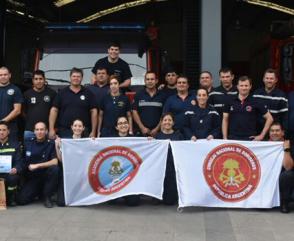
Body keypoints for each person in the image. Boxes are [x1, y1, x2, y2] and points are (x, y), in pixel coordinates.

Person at [17, 122, 59, 208]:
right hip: (33, 178)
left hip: (46, 176)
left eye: (42, 129)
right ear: (34, 131)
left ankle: (47, 197)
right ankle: (39, 192)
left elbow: (55, 161)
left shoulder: (50, 144)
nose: (39, 132)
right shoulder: (28, 143)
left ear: (46, 131)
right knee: (21, 200)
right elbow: (23, 160)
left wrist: (38, 165)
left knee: (55, 169)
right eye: (37, 130)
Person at [49, 67, 97, 138]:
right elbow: (54, 110)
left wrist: (93, 131)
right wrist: (51, 129)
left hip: (83, 131)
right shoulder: (62, 93)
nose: (76, 78)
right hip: (65, 131)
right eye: (74, 76)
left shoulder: (88, 93)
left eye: (78, 76)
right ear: (70, 77)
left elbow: (94, 111)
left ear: (82, 78)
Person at [222, 76, 273, 141]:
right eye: (241, 85)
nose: (244, 88)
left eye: (246, 85)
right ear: (237, 86)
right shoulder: (229, 100)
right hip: (233, 138)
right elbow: (225, 119)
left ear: (250, 86)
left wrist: (261, 136)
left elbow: (270, 118)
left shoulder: (256, 101)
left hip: (250, 139)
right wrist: (225, 138)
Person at [109, 116, 140, 206]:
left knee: (133, 202)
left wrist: (149, 141)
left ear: (128, 125)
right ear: (116, 127)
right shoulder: (109, 140)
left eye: (125, 123)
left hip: (130, 176)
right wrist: (93, 141)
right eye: (120, 123)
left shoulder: (135, 139)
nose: (123, 125)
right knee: (111, 202)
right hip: (115, 175)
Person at [55, 119, 85, 206]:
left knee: (82, 201)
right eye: (75, 126)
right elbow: (61, 160)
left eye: (80, 126)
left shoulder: (87, 142)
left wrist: (94, 142)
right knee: (61, 203)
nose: (77, 128)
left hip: (81, 175)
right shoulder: (66, 142)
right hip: (68, 173)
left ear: (83, 128)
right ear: (72, 127)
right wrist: (57, 147)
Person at [155, 113, 183, 205]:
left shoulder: (179, 136)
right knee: (156, 200)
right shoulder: (157, 137)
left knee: (169, 202)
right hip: (161, 169)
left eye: (170, 120)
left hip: (173, 169)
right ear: (162, 122)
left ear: (173, 123)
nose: (167, 122)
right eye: (165, 120)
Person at [23, 70, 56, 140]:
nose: (38, 81)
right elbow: (23, 112)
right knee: (29, 151)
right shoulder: (26, 94)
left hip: (47, 131)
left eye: (40, 79)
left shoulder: (52, 94)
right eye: (36, 79)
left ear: (44, 80)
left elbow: (55, 112)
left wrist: (51, 129)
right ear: (32, 80)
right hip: (30, 131)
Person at [268, 122, 294, 213]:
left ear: (282, 132)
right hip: (268, 176)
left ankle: (285, 203)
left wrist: (286, 150)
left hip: (282, 177)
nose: (274, 133)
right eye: (272, 131)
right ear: (269, 133)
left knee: (287, 175)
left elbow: (288, 167)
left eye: (277, 130)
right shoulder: (263, 145)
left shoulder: (289, 145)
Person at [253, 68, 288, 133]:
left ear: (276, 80)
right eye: (267, 78)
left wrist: (284, 134)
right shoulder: (256, 94)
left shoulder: (281, 96)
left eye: (271, 78)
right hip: (257, 132)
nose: (269, 80)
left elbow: (285, 118)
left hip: (274, 133)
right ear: (263, 79)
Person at [132, 71, 166, 137]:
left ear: (156, 81)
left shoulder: (163, 96)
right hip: (141, 132)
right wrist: (142, 127)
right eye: (147, 79)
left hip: (158, 132)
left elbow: (164, 114)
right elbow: (134, 111)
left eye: (152, 79)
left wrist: (157, 129)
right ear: (144, 81)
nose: (150, 81)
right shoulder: (138, 95)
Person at [0, 121, 23, 206]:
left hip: (9, 173)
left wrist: (16, 169)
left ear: (8, 131)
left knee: (13, 178)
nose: (1, 132)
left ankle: (10, 198)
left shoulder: (15, 145)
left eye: (4, 130)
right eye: (0, 130)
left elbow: (20, 161)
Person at [0, 66, 23, 142]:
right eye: (1, 75)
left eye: (5, 74)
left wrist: (3, 121)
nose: (3, 77)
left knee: (11, 151)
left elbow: (17, 110)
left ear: (10, 75)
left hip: (11, 128)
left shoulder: (15, 90)